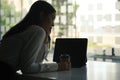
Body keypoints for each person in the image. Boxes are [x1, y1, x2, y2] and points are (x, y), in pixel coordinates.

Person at [0, 0, 70, 74]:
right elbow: (28, 68)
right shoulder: (37, 31)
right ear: (42, 15)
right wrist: (58, 66)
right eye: (52, 18)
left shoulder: (27, 29)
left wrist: (45, 40)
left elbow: (34, 64)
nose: (53, 24)